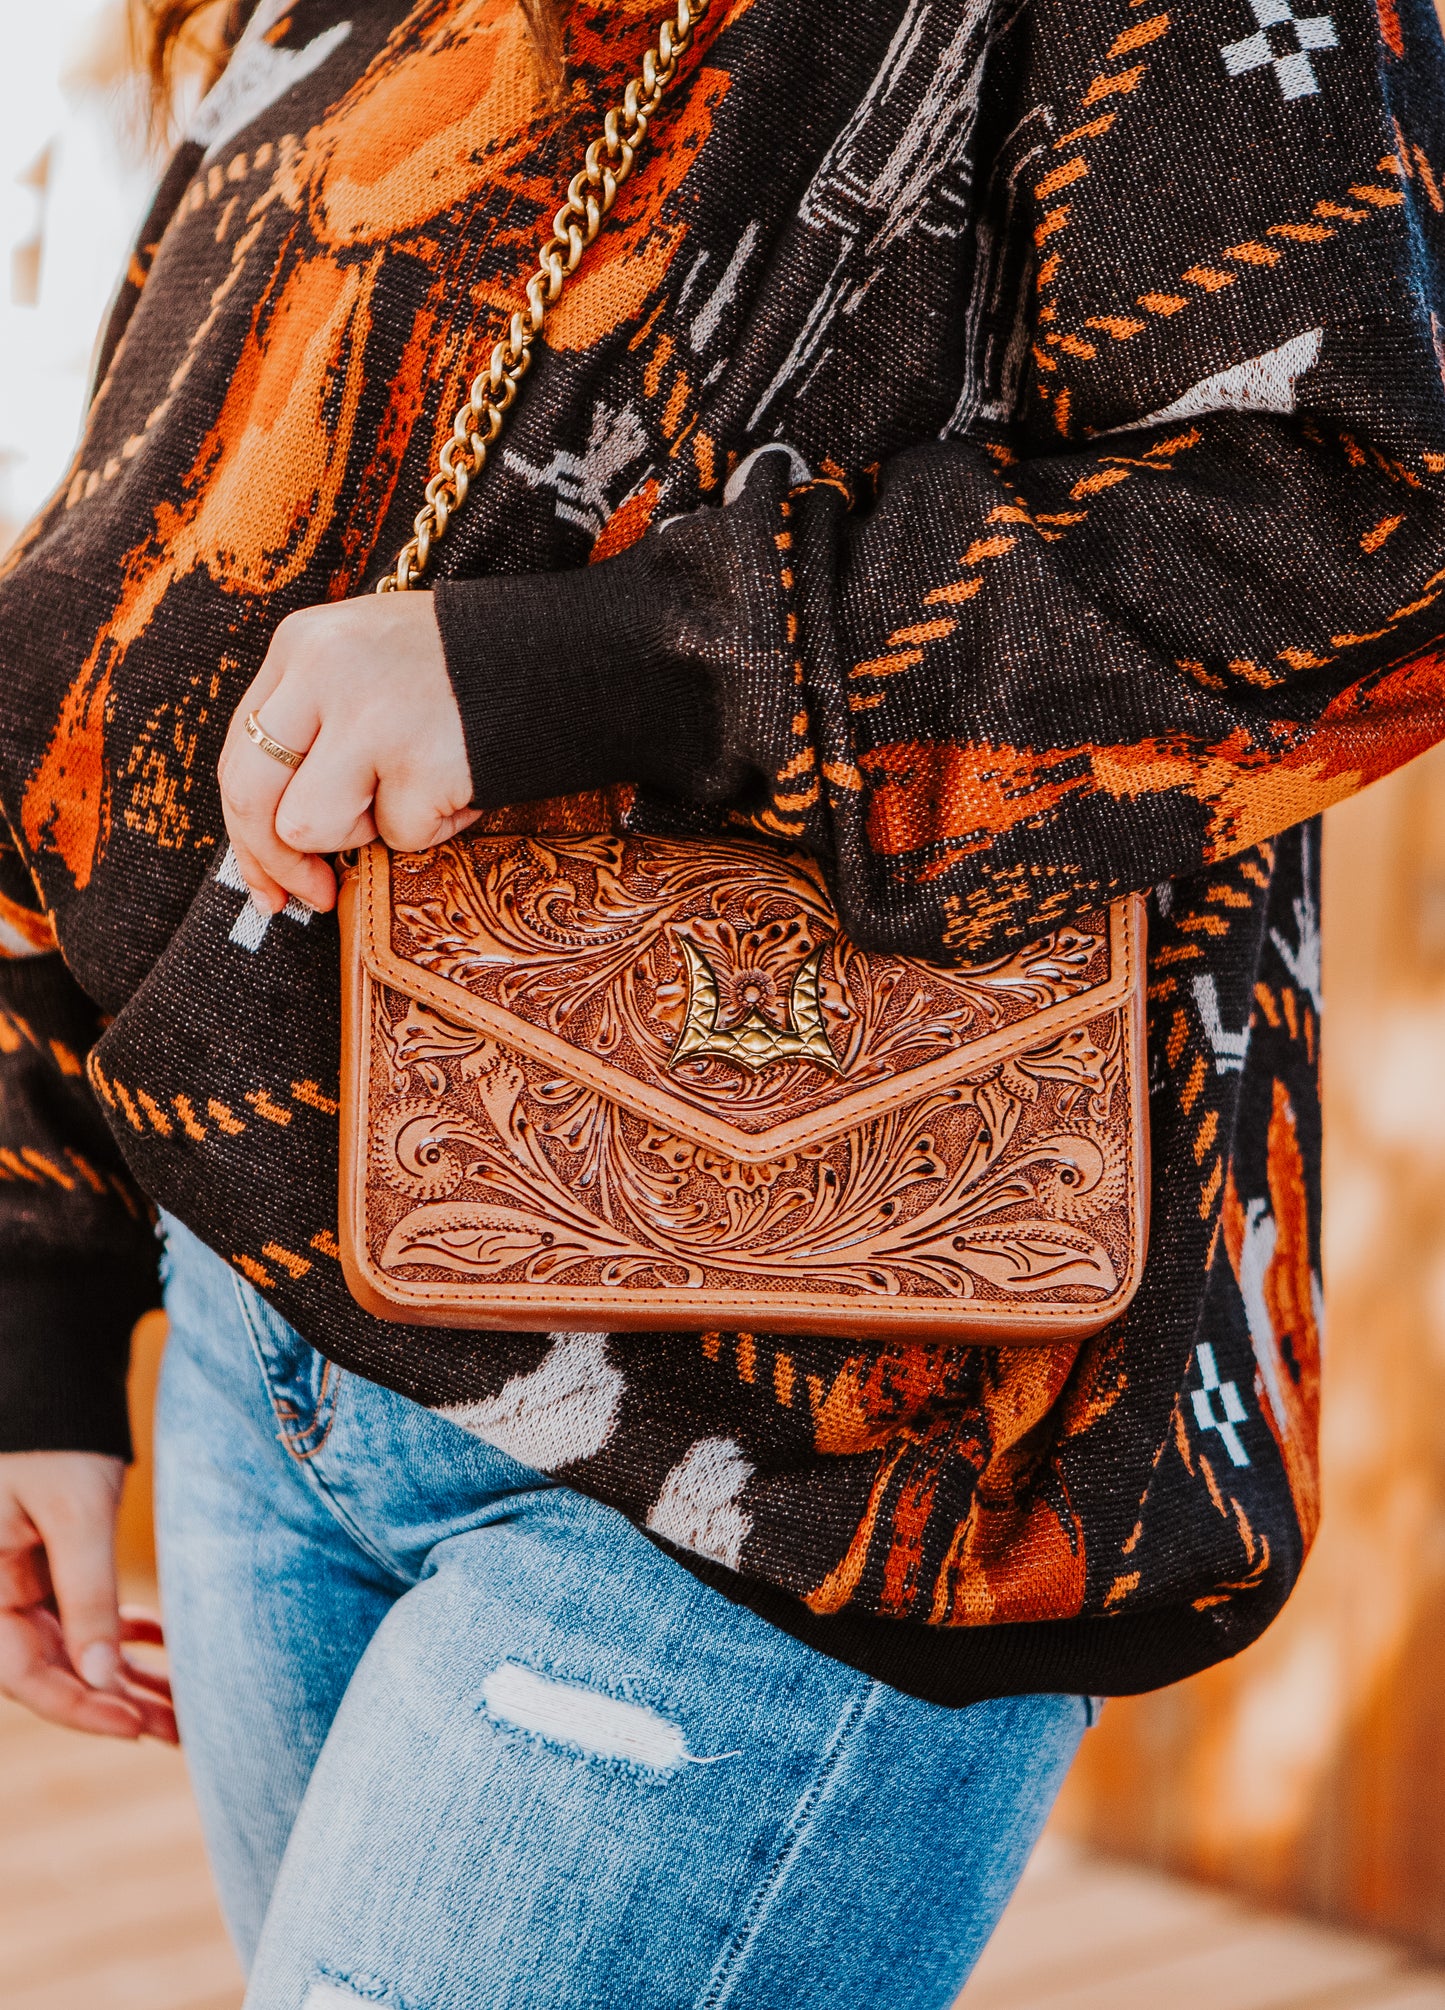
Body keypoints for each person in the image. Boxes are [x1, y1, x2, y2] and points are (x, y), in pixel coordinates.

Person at [1, 0, 1442, 2002]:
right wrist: (39, 1281)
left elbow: (1360, 525)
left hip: (791, 1435)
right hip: (277, 1360)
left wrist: (615, 666)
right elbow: (138, 557)